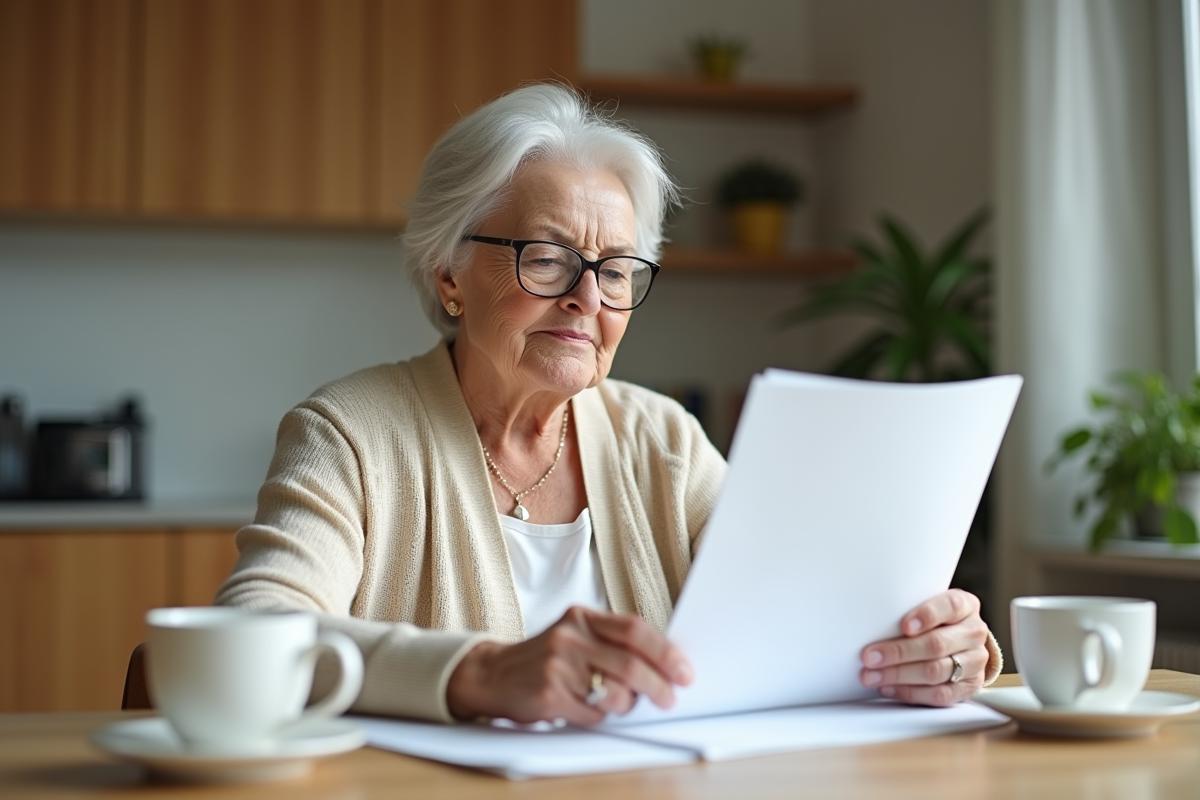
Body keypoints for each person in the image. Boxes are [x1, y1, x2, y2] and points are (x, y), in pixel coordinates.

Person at [216, 83, 1001, 725]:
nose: (588, 299)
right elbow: (252, 635)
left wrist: (926, 649)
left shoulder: (663, 439)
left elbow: (796, 614)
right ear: (449, 274)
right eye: (547, 258)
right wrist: (480, 673)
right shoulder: (349, 433)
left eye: (617, 270)